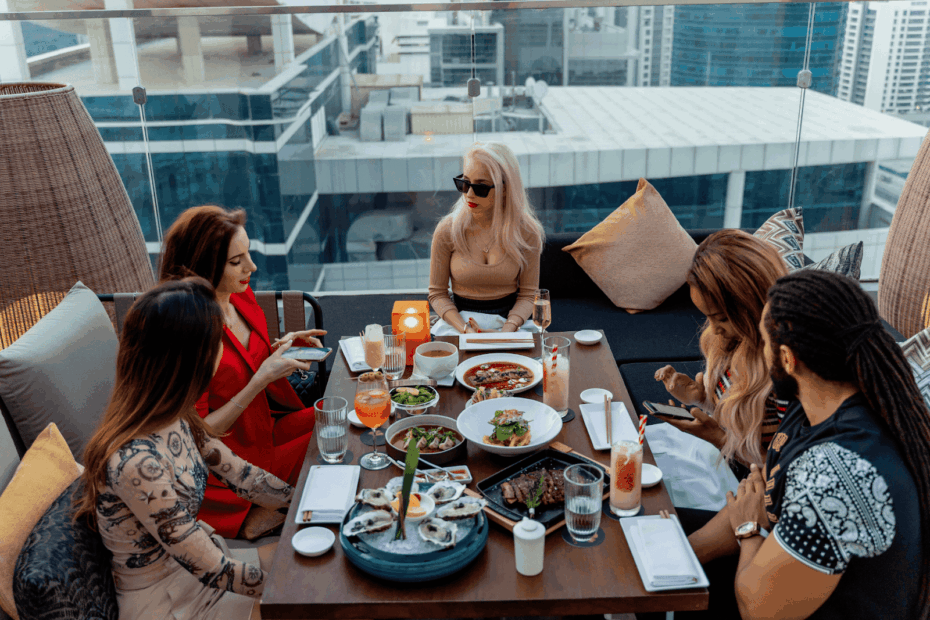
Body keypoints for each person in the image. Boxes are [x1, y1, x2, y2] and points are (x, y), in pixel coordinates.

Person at [685, 269, 927, 619]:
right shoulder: (812, 403)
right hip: (777, 561)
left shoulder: (839, 473)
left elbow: (758, 610)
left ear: (786, 358)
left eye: (764, 341)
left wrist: (747, 530)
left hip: (777, 600)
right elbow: (761, 498)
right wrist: (681, 551)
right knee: (641, 533)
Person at [74, 278, 292, 620]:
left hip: (204, 566)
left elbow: (243, 477)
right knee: (324, 595)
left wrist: (309, 503)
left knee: (320, 557)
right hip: (172, 604)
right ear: (192, 358)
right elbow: (212, 570)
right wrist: (299, 593)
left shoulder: (176, 415)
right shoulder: (136, 463)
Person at [159, 205, 325, 539]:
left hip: (262, 428)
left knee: (335, 416)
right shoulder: (192, 334)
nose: (251, 267)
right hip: (228, 464)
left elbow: (246, 363)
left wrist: (280, 351)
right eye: (236, 262)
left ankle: (278, 505)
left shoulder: (240, 295)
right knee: (327, 438)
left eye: (247, 254)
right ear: (202, 267)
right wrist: (262, 377)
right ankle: (253, 515)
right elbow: (199, 436)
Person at [654, 229, 790, 470]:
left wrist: (718, 438)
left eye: (721, 318)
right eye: (707, 316)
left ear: (753, 306)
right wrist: (701, 398)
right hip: (721, 460)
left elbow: (788, 474)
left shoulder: (785, 376)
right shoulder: (733, 342)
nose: (713, 329)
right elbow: (733, 415)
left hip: (752, 485)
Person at [428, 142, 545, 333]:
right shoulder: (447, 230)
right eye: (465, 183)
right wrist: (465, 329)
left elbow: (528, 294)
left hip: (510, 324)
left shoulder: (527, 232)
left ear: (505, 189)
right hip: (460, 325)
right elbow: (437, 294)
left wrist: (507, 330)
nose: (470, 194)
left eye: (481, 187)